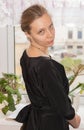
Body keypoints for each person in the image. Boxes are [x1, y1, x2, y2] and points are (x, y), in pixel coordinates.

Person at [15, 4, 81, 130]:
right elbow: (63, 106)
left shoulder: (26, 55)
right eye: (41, 31)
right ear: (28, 34)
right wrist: (75, 120)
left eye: (51, 27)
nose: (50, 35)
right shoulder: (45, 66)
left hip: (35, 122)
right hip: (51, 124)